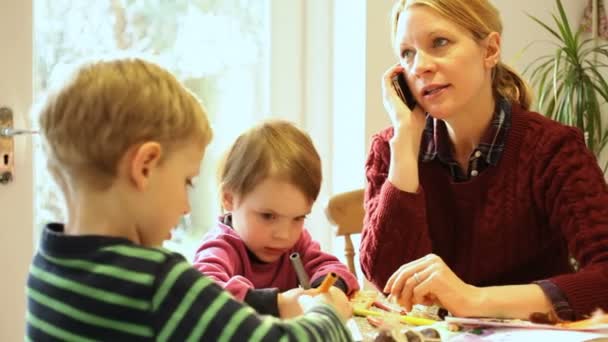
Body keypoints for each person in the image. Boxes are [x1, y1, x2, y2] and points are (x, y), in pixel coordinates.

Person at [26, 57, 353, 341]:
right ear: (145, 166)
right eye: (187, 182)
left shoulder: (47, 266)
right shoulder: (157, 285)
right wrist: (328, 313)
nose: (186, 206)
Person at [360, 0, 608, 322]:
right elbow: (388, 280)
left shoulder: (552, 149)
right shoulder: (392, 148)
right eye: (407, 53)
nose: (419, 66)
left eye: (439, 43)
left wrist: (474, 300)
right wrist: (405, 142)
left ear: (490, 50)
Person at [193, 120, 359, 318]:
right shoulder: (220, 247)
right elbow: (202, 295)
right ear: (229, 198)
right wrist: (278, 304)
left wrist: (326, 291)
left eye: (298, 218)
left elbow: (334, 269)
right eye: (268, 216)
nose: (284, 235)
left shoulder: (297, 243)